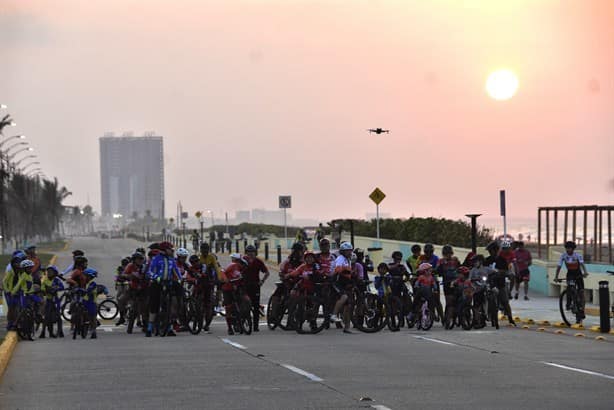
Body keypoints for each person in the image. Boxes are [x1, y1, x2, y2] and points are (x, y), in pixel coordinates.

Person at [146, 241, 181, 337]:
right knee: (154, 306)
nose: (172, 251)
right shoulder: (156, 259)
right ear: (164, 250)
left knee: (168, 307)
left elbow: (176, 270)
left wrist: (180, 279)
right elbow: (149, 272)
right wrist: (157, 278)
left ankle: (169, 328)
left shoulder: (171, 259)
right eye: (170, 249)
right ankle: (149, 329)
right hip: (156, 284)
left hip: (168, 283)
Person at [554, 241, 589, 324]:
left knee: (581, 293)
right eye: (566, 248)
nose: (568, 250)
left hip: (578, 275)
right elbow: (559, 266)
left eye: (569, 248)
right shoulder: (563, 256)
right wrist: (556, 277)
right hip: (570, 274)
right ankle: (569, 303)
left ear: (573, 249)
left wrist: (585, 272)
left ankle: (582, 310)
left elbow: (582, 264)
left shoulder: (577, 255)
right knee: (570, 287)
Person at [484, 241, 516, 326]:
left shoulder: (502, 260)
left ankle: (510, 318)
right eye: (489, 251)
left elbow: (506, 271)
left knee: (505, 301)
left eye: (492, 250)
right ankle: (484, 315)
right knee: (484, 297)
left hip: (500, 283)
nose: (490, 252)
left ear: (496, 250)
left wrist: (502, 273)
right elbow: (482, 270)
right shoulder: (487, 260)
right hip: (490, 283)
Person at [242, 245, 270, 332]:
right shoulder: (242, 261)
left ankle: (256, 325)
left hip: (255, 285)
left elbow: (267, 272)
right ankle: (242, 323)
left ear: (255, 253)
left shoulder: (258, 261)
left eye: (252, 252)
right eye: (248, 252)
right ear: (246, 253)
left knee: (256, 306)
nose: (250, 254)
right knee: (244, 305)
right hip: (244, 285)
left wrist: (262, 281)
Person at [220, 253, 249, 335]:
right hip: (227, 289)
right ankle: (229, 328)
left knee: (241, 302)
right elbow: (223, 271)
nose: (243, 268)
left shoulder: (242, 271)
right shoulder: (233, 265)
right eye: (243, 266)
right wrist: (225, 279)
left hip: (235, 289)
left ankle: (240, 321)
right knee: (228, 308)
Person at [330, 241, 354, 333]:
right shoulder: (340, 258)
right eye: (347, 251)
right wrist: (346, 271)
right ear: (343, 251)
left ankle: (347, 327)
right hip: (336, 282)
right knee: (344, 297)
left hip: (344, 283)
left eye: (350, 250)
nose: (349, 252)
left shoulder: (348, 260)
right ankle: (334, 315)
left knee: (348, 306)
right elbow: (338, 269)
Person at [124, 252, 149, 333]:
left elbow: (149, 275)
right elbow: (124, 275)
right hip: (133, 289)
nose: (140, 261)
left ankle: (145, 326)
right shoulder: (130, 266)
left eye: (141, 259)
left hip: (144, 289)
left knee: (144, 308)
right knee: (134, 309)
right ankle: (130, 328)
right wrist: (131, 276)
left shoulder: (145, 266)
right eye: (138, 259)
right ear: (134, 260)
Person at [436, 245, 461, 327]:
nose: (448, 255)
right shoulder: (441, 261)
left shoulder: (455, 260)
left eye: (449, 253)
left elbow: (460, 268)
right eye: (446, 254)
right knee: (449, 301)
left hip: (457, 282)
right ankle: (448, 318)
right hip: (447, 283)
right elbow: (438, 271)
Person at [2, 254, 26, 331]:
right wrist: (8, 290)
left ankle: (17, 323)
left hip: (16, 291)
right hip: (8, 292)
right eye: (16, 263)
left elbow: (21, 283)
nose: (17, 264)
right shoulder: (10, 272)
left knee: (19, 306)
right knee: (11, 307)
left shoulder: (21, 273)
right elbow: (4, 282)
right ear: (13, 264)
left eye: (19, 263)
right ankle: (10, 323)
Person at [40, 266, 65, 338]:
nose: (49, 273)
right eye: (48, 272)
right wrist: (45, 290)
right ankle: (44, 332)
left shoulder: (56, 280)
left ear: (55, 273)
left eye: (51, 272)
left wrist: (55, 288)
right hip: (48, 300)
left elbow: (62, 287)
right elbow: (42, 288)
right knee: (46, 317)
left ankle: (60, 331)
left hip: (56, 300)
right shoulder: (45, 280)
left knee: (58, 316)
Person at [82, 268, 99, 339]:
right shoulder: (86, 283)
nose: (84, 277)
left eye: (85, 275)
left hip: (92, 303)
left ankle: (94, 331)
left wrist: (84, 291)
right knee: (86, 316)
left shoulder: (93, 283)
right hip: (85, 302)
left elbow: (89, 291)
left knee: (92, 318)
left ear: (89, 276)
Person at [114, 257, 131, 326]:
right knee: (120, 301)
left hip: (126, 286)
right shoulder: (120, 269)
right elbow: (116, 277)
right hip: (121, 286)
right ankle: (122, 317)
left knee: (124, 301)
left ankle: (124, 317)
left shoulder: (129, 269)